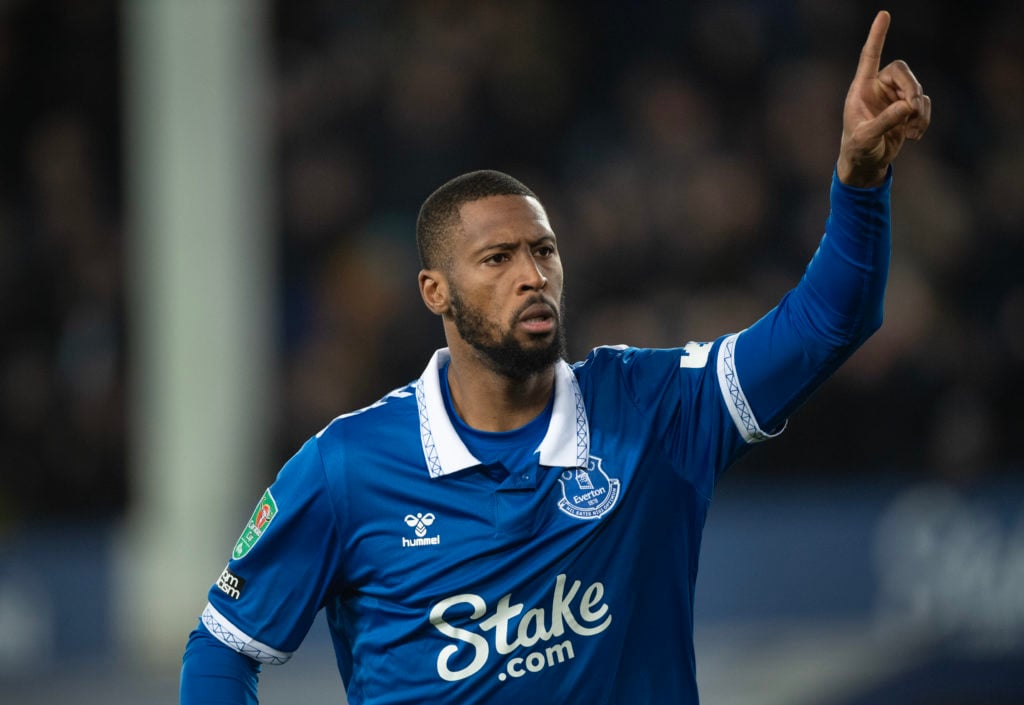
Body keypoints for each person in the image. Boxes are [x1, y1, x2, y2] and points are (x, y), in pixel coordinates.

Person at [180, 10, 930, 704]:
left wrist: (860, 185)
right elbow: (222, 645)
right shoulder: (347, 465)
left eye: (543, 251)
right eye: (498, 258)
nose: (532, 275)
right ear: (435, 291)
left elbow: (830, 322)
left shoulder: (654, 408)